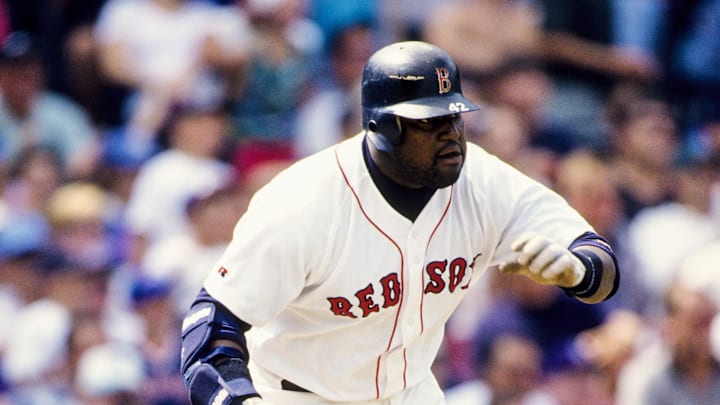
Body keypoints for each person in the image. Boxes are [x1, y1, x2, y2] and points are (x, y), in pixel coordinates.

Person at [180, 41, 619, 405]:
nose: (451, 134)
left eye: (454, 116)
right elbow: (210, 327)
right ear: (381, 129)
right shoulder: (304, 202)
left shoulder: (482, 182)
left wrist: (579, 271)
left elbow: (600, 262)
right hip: (299, 395)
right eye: (430, 121)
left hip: (411, 392)